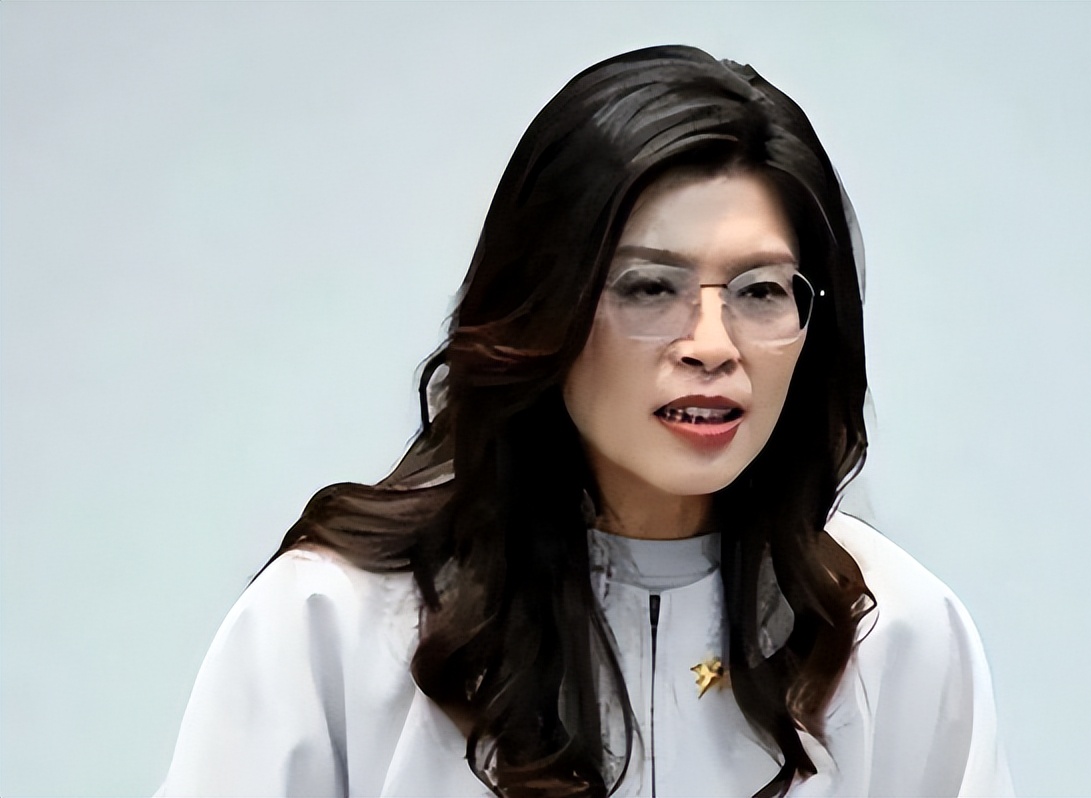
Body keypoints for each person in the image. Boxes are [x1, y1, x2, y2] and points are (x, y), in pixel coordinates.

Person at [157, 45, 1013, 798]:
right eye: (649, 287)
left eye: (760, 291)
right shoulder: (335, 623)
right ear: (544, 305)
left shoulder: (890, 632)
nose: (712, 346)